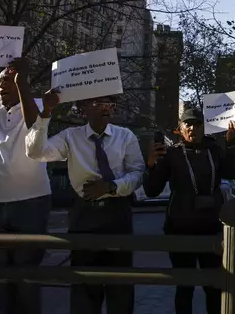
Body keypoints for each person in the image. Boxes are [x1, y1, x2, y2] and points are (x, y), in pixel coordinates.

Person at [24, 90, 145, 314]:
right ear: (84, 109)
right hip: (84, 216)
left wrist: (112, 187)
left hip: (117, 214)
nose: (106, 107)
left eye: (110, 103)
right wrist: (46, 113)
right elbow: (35, 152)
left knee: (121, 287)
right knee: (84, 289)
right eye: (99, 102)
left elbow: (138, 173)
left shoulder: (125, 136)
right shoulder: (71, 137)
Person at [144, 107, 235, 314]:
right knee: (184, 286)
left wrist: (231, 142)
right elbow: (152, 191)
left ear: (204, 128)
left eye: (197, 124)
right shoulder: (172, 154)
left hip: (212, 230)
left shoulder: (214, 150)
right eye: (187, 124)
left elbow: (232, 172)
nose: (192, 128)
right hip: (180, 230)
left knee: (213, 287)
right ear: (180, 128)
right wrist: (151, 164)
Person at [0, 59, 51, 314]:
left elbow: (34, 124)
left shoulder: (39, 106)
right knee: (3, 278)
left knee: (26, 277)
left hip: (31, 203)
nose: (3, 84)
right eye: (0, 80)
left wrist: (20, 80)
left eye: (9, 79)